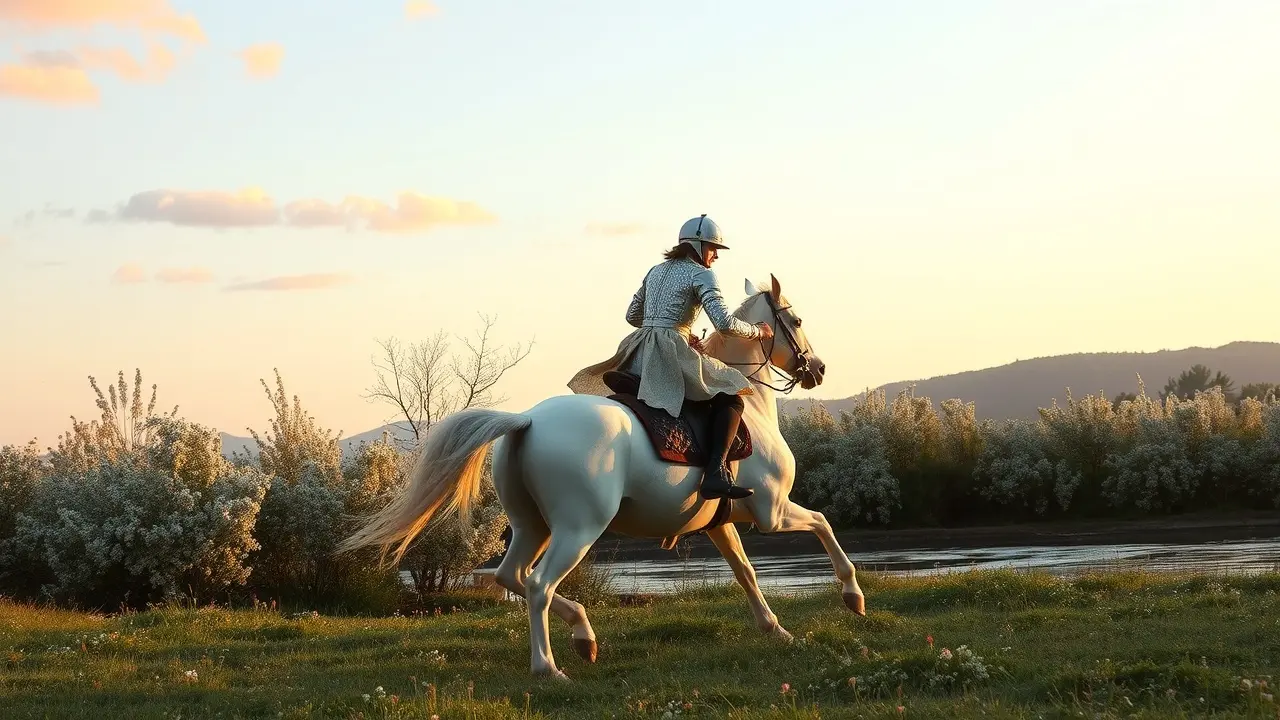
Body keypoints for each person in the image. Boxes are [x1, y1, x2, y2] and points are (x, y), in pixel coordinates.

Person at [567, 214, 773, 499]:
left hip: (639, 347)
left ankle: (641, 386)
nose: (715, 256)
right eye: (713, 248)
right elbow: (724, 323)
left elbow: (632, 316)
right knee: (732, 391)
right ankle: (715, 473)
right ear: (699, 246)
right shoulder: (701, 274)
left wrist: (666, 323)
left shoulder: (656, 270)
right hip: (670, 350)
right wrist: (757, 332)